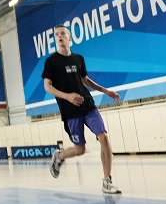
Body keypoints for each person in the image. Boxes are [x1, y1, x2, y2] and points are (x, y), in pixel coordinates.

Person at [43, 25, 121, 194]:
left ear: (70, 37)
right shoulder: (51, 62)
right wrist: (67, 96)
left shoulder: (78, 58)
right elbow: (47, 86)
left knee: (103, 137)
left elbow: (85, 80)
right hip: (70, 110)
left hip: (87, 105)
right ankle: (59, 156)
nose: (60, 36)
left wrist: (105, 91)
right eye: (56, 34)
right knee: (80, 150)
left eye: (63, 33)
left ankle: (107, 181)